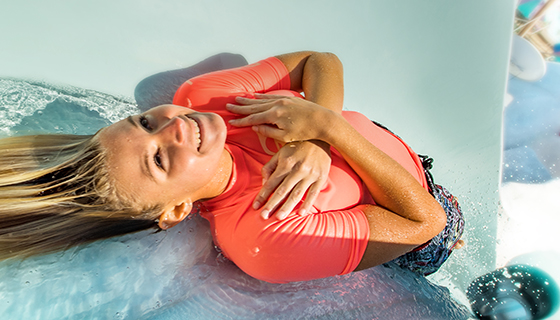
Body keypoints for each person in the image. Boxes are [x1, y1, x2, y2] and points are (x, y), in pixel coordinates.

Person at [0, 51, 463, 283]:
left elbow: (317, 61)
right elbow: (424, 222)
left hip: (387, 142)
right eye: (159, 159)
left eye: (143, 122)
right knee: (453, 232)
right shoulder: (265, 237)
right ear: (177, 210)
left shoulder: (203, 99)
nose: (171, 127)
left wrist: (317, 138)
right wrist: (328, 128)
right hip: (423, 214)